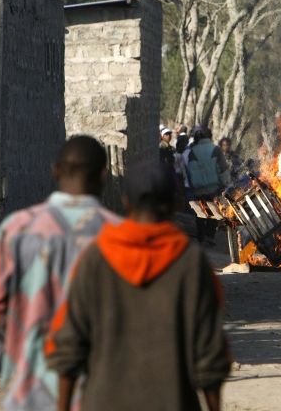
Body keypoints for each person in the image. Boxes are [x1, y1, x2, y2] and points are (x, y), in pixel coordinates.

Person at [46, 162, 231, 411]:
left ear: (125, 201)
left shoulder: (95, 259)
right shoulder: (191, 263)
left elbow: (67, 347)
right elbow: (210, 355)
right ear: (175, 204)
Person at [0, 135, 120, 411]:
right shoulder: (122, 237)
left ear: (55, 170)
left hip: (31, 392)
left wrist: (15, 360)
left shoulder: (17, 229)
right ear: (104, 176)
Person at [186, 127, 230, 244]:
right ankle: (210, 236)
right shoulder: (215, 150)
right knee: (213, 212)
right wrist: (226, 184)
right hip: (213, 188)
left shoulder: (192, 151)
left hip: (198, 188)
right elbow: (223, 169)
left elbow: (189, 170)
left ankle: (200, 236)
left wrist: (192, 185)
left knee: (200, 212)